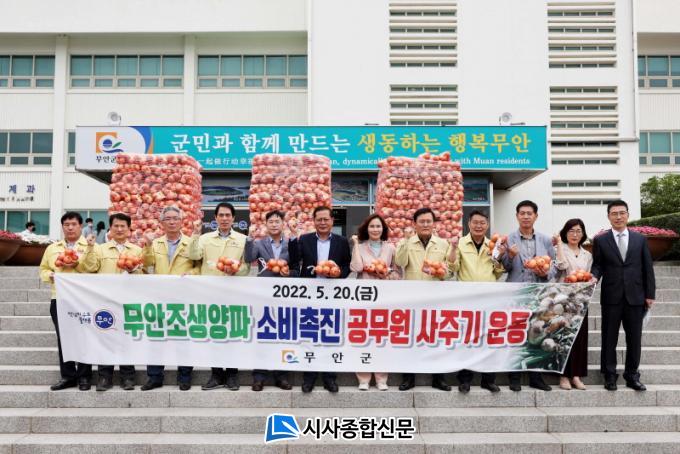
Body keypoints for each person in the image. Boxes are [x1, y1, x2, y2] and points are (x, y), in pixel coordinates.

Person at [591, 200, 655, 392]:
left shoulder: (639, 239)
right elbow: (598, 265)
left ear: (627, 214)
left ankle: (632, 375)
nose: (618, 217)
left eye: (621, 213)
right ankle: (610, 375)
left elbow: (647, 267)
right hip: (611, 296)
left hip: (636, 296)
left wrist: (650, 294)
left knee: (634, 339)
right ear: (608, 216)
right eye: (614, 213)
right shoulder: (601, 240)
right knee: (608, 338)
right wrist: (594, 277)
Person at [289, 206, 351, 393]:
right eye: (319, 219)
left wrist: (339, 274)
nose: (323, 223)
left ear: (332, 221)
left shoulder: (342, 241)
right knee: (309, 336)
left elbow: (346, 265)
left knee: (330, 336)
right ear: (314, 221)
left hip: (332, 294)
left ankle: (329, 377)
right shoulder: (305, 239)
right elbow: (294, 260)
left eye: (326, 219)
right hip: (310, 294)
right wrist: (293, 237)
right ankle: (309, 377)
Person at [189, 202, 250, 391]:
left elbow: (247, 267)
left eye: (227, 215)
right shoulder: (205, 238)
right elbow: (193, 255)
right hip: (210, 294)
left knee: (232, 334)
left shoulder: (243, 239)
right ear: (215, 218)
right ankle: (216, 374)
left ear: (233, 218)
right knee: (213, 334)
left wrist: (236, 271)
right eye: (221, 215)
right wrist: (195, 234)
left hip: (233, 293)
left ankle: (232, 375)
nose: (224, 218)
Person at [394, 207, 456, 392]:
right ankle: (408, 378)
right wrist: (406, 241)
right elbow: (400, 262)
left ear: (434, 224)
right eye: (422, 221)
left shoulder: (443, 244)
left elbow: (451, 271)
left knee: (437, 338)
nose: (426, 224)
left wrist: (442, 273)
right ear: (415, 224)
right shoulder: (406, 242)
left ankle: (438, 378)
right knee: (410, 338)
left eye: (429, 221)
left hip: (436, 297)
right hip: (412, 297)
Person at [80, 213, 141, 391]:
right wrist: (90, 247)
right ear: (111, 228)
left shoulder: (136, 250)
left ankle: (128, 377)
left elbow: (144, 275)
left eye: (123, 226)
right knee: (105, 338)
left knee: (127, 339)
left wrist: (134, 270)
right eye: (116, 226)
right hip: (105, 300)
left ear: (129, 229)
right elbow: (89, 267)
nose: (119, 229)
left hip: (129, 301)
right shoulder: (100, 249)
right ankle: (104, 378)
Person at [141, 206, 200, 391]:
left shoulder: (191, 242)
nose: (172, 222)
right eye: (168, 219)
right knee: (156, 338)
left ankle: (184, 377)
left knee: (184, 338)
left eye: (175, 218)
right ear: (162, 222)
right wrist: (147, 245)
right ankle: (154, 377)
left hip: (183, 296)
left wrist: (191, 274)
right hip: (160, 297)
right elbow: (146, 264)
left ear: (181, 221)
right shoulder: (155, 243)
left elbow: (199, 266)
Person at [501, 200, 555, 392]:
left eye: (529, 213)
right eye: (522, 213)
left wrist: (546, 273)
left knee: (538, 332)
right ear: (517, 216)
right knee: (515, 334)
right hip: (516, 293)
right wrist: (510, 255)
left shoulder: (545, 240)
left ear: (535, 216)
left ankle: (536, 376)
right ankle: (514, 376)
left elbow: (554, 266)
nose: (525, 216)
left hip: (539, 293)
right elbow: (503, 267)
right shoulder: (508, 239)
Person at [449, 210, 505, 393]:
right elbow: (453, 267)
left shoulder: (493, 245)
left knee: (489, 339)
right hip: (467, 299)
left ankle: (488, 380)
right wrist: (453, 248)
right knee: (467, 340)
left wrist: (498, 257)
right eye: (475, 222)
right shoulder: (460, 243)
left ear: (487, 225)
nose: (478, 226)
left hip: (489, 298)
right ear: (469, 224)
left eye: (482, 223)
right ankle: (465, 380)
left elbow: (498, 272)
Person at [39, 212, 94, 391]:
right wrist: (50, 275)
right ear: (62, 227)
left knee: (84, 336)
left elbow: (94, 268)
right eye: (66, 225)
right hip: (59, 298)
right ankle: (68, 376)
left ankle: (84, 376)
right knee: (64, 337)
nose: (70, 228)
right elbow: (43, 269)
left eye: (74, 224)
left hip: (83, 299)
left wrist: (77, 264)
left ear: (80, 226)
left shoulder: (90, 246)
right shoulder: (52, 248)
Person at [244, 210, 293, 391]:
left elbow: (297, 266)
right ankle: (259, 376)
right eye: (270, 221)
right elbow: (248, 258)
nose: (274, 224)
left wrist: (289, 273)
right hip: (263, 295)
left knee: (283, 335)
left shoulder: (291, 244)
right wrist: (249, 238)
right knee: (263, 335)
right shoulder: (259, 243)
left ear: (283, 224)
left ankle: (282, 376)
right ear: (266, 225)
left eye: (277, 221)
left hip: (285, 296)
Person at [350, 213, 400, 391]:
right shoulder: (360, 247)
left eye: (378, 226)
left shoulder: (391, 248)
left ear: (383, 229)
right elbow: (356, 267)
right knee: (363, 337)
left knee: (382, 338)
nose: (375, 229)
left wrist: (388, 273)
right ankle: (363, 378)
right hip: (364, 298)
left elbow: (398, 272)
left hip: (385, 298)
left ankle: (381, 378)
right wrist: (356, 244)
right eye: (372, 226)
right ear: (366, 229)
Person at [554, 218, 592, 391]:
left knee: (579, 339)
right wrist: (559, 244)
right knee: (564, 338)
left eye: (578, 231)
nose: (575, 234)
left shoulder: (587, 255)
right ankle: (563, 376)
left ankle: (576, 375)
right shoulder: (559, 249)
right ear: (565, 232)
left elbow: (588, 276)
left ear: (583, 234)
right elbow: (561, 266)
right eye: (571, 231)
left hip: (581, 300)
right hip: (563, 300)